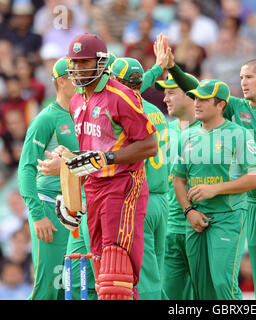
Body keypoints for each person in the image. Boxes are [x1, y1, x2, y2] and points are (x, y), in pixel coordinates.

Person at [167, 57, 256, 300]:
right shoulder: (237, 108)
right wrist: (172, 68)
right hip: (254, 206)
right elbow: (197, 89)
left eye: (249, 77)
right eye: (241, 77)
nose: (243, 82)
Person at [61, 33, 157, 300]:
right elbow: (85, 157)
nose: (78, 69)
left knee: (118, 274)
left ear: (101, 63)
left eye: (84, 62)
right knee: (103, 270)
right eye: (74, 63)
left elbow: (150, 145)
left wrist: (108, 159)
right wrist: (69, 198)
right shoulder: (76, 101)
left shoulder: (120, 96)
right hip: (93, 188)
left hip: (123, 184)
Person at [173, 78, 256, 300]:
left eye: (204, 99)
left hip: (228, 216)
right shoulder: (187, 136)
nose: (196, 103)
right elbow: (179, 179)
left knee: (223, 283)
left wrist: (216, 189)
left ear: (221, 105)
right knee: (201, 287)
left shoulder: (239, 134)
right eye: (195, 98)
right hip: (195, 220)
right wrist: (189, 211)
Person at [17, 57, 84, 300]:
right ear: (63, 81)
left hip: (81, 210)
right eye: (76, 75)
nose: (82, 79)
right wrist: (37, 216)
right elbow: (26, 169)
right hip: (51, 211)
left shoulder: (88, 115)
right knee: (50, 288)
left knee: (77, 288)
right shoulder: (46, 119)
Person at [109, 56, 169, 300]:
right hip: (162, 200)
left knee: (142, 279)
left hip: (137, 200)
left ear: (115, 81)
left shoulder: (121, 112)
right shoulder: (156, 111)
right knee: (157, 273)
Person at [154, 71, 200, 300]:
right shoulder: (163, 133)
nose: (165, 98)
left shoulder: (213, 132)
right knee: (170, 296)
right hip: (170, 227)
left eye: (171, 92)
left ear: (191, 95)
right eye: (165, 93)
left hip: (203, 226)